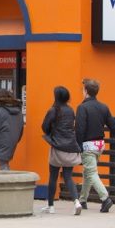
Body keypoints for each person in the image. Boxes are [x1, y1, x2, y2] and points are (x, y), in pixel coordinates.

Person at [76, 78, 115, 213]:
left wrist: (77, 146)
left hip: (88, 145)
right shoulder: (103, 107)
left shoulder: (82, 107)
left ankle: (105, 199)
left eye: (83, 89)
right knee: (88, 171)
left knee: (91, 172)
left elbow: (80, 129)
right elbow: (113, 126)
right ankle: (83, 199)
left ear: (86, 91)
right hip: (99, 145)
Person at [40, 86, 83, 215]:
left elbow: (44, 126)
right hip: (70, 147)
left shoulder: (54, 110)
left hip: (57, 148)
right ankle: (76, 202)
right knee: (68, 177)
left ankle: (51, 206)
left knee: (53, 177)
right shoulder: (70, 110)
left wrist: (51, 134)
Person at [0, 88, 24, 170]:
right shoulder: (18, 110)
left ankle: (7, 182)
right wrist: (16, 139)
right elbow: (21, 127)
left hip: (1, 140)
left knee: (3, 166)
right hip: (12, 141)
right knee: (4, 163)